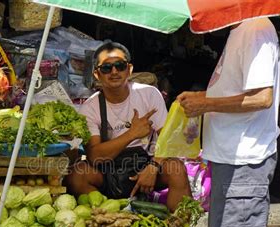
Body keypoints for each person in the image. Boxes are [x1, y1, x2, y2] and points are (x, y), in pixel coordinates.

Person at [176, 18, 280, 227]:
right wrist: (202, 98)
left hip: (246, 156)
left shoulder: (256, 30)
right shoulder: (242, 30)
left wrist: (206, 105)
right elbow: (237, 89)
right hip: (229, 154)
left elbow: (261, 97)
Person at [65, 41, 191, 211]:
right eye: (106, 68)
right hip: (108, 169)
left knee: (177, 169)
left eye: (120, 65)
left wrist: (153, 167)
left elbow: (168, 139)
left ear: (129, 69)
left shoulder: (148, 94)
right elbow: (94, 155)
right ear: (97, 74)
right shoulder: (90, 107)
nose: (114, 72)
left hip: (146, 163)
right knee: (77, 175)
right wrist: (132, 134)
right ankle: (107, 218)